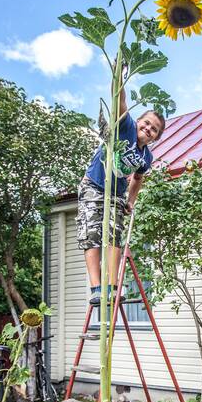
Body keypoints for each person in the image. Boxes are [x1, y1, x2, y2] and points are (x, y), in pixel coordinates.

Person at [76, 82, 165, 304]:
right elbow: (120, 100)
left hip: (116, 194)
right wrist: (120, 78)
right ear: (138, 122)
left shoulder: (146, 158)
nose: (148, 129)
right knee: (92, 235)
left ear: (155, 137)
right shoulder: (125, 127)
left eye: (154, 129)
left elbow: (138, 177)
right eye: (146, 123)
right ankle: (96, 288)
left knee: (114, 236)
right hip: (94, 185)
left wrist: (131, 201)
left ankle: (112, 286)